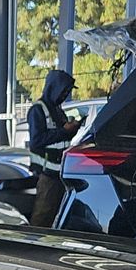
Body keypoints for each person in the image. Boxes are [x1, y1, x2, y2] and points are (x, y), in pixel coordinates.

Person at [26, 67, 80, 227]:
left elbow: (60, 139)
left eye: (67, 92)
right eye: (64, 91)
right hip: (47, 174)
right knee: (43, 216)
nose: (65, 95)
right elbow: (37, 141)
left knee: (57, 216)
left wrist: (72, 130)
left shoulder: (57, 110)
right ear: (54, 88)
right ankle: (34, 242)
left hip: (60, 173)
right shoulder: (38, 110)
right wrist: (64, 131)